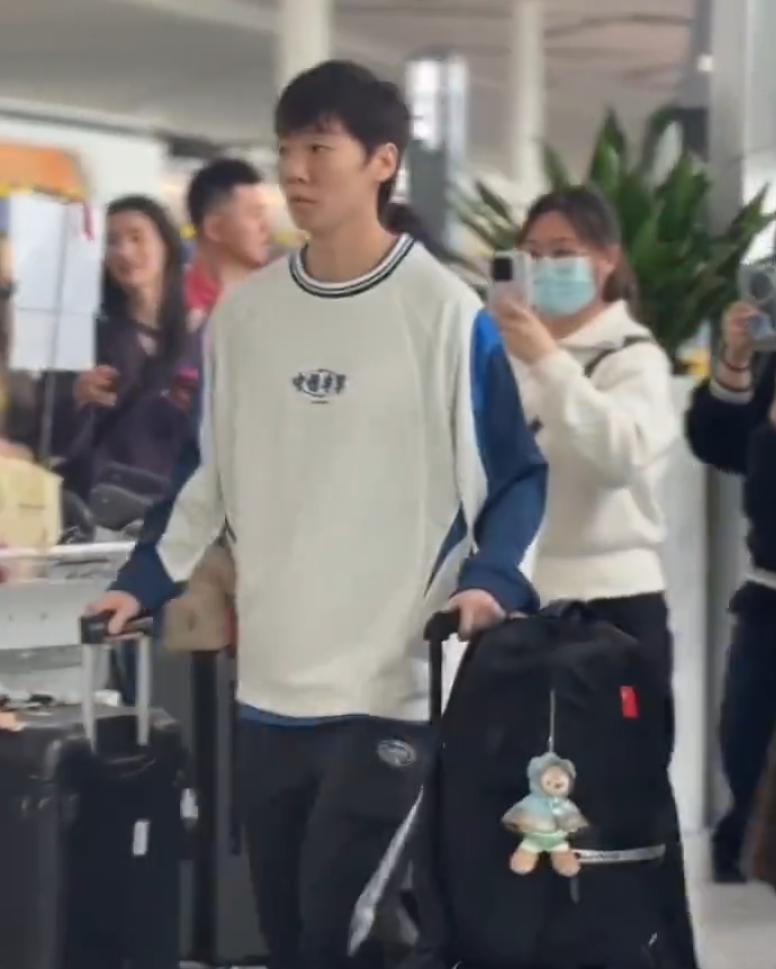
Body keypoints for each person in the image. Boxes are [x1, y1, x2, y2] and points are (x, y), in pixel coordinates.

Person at [88, 59, 547, 969]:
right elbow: (202, 477)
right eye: (286, 149)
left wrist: (491, 581)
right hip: (272, 686)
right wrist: (140, 583)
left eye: (319, 149)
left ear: (382, 162)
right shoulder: (245, 319)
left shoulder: (443, 314)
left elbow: (517, 476)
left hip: (390, 687)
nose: (294, 171)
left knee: (336, 931)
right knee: (291, 932)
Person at [491, 186, 698, 969]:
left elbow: (617, 457)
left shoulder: (632, 356)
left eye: (565, 252)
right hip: (523, 608)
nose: (547, 267)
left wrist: (549, 361)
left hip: (615, 609)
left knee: (614, 807)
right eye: (533, 254)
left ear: (607, 261)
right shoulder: (506, 356)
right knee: (527, 814)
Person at [686, 300, 776, 884]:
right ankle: (743, 840)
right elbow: (720, 446)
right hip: (767, 594)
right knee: (744, 743)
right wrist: (736, 363)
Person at [59, 195, 198, 500]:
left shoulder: (204, 334)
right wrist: (77, 397)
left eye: (137, 238)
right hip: (104, 501)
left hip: (178, 501)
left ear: (167, 246)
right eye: (112, 242)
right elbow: (50, 436)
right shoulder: (89, 337)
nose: (124, 251)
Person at [184, 157, 269, 327]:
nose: (265, 226)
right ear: (214, 228)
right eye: (255, 215)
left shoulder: (278, 304)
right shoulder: (171, 309)